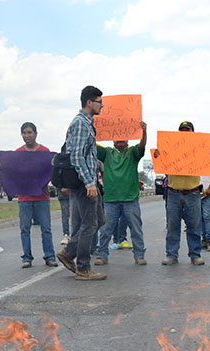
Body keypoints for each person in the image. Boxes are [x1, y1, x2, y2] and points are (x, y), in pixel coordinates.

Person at [60, 86, 107, 280]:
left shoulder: (88, 123)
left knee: (99, 221)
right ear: (89, 102)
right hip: (83, 183)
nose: (102, 106)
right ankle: (83, 268)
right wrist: (90, 183)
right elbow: (77, 157)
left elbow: (84, 154)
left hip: (89, 180)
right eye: (99, 101)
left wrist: (97, 164)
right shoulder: (80, 123)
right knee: (89, 224)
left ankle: (68, 252)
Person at [155, 121, 210, 266]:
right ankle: (171, 255)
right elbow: (165, 170)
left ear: (192, 133)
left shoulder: (201, 149)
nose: (184, 132)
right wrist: (159, 157)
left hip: (193, 192)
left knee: (194, 226)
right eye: (182, 130)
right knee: (173, 225)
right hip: (173, 192)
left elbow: (209, 168)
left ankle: (195, 255)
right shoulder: (171, 148)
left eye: (187, 130)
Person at [95, 120, 148, 266]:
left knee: (136, 229)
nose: (120, 141)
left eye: (123, 138)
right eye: (117, 138)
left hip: (130, 199)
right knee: (106, 230)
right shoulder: (106, 153)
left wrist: (144, 132)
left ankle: (139, 255)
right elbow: (92, 143)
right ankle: (102, 255)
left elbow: (142, 146)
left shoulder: (132, 152)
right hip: (110, 199)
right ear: (112, 140)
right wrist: (94, 128)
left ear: (127, 139)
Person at [14, 122, 57, 268]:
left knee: (46, 229)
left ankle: (50, 256)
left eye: (29, 132)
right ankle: (26, 257)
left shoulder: (44, 151)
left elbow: (49, 172)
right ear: (21, 135)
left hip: (41, 197)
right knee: (25, 229)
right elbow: (13, 174)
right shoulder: (18, 153)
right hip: (24, 198)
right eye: (24, 133)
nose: (27, 136)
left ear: (36, 134)